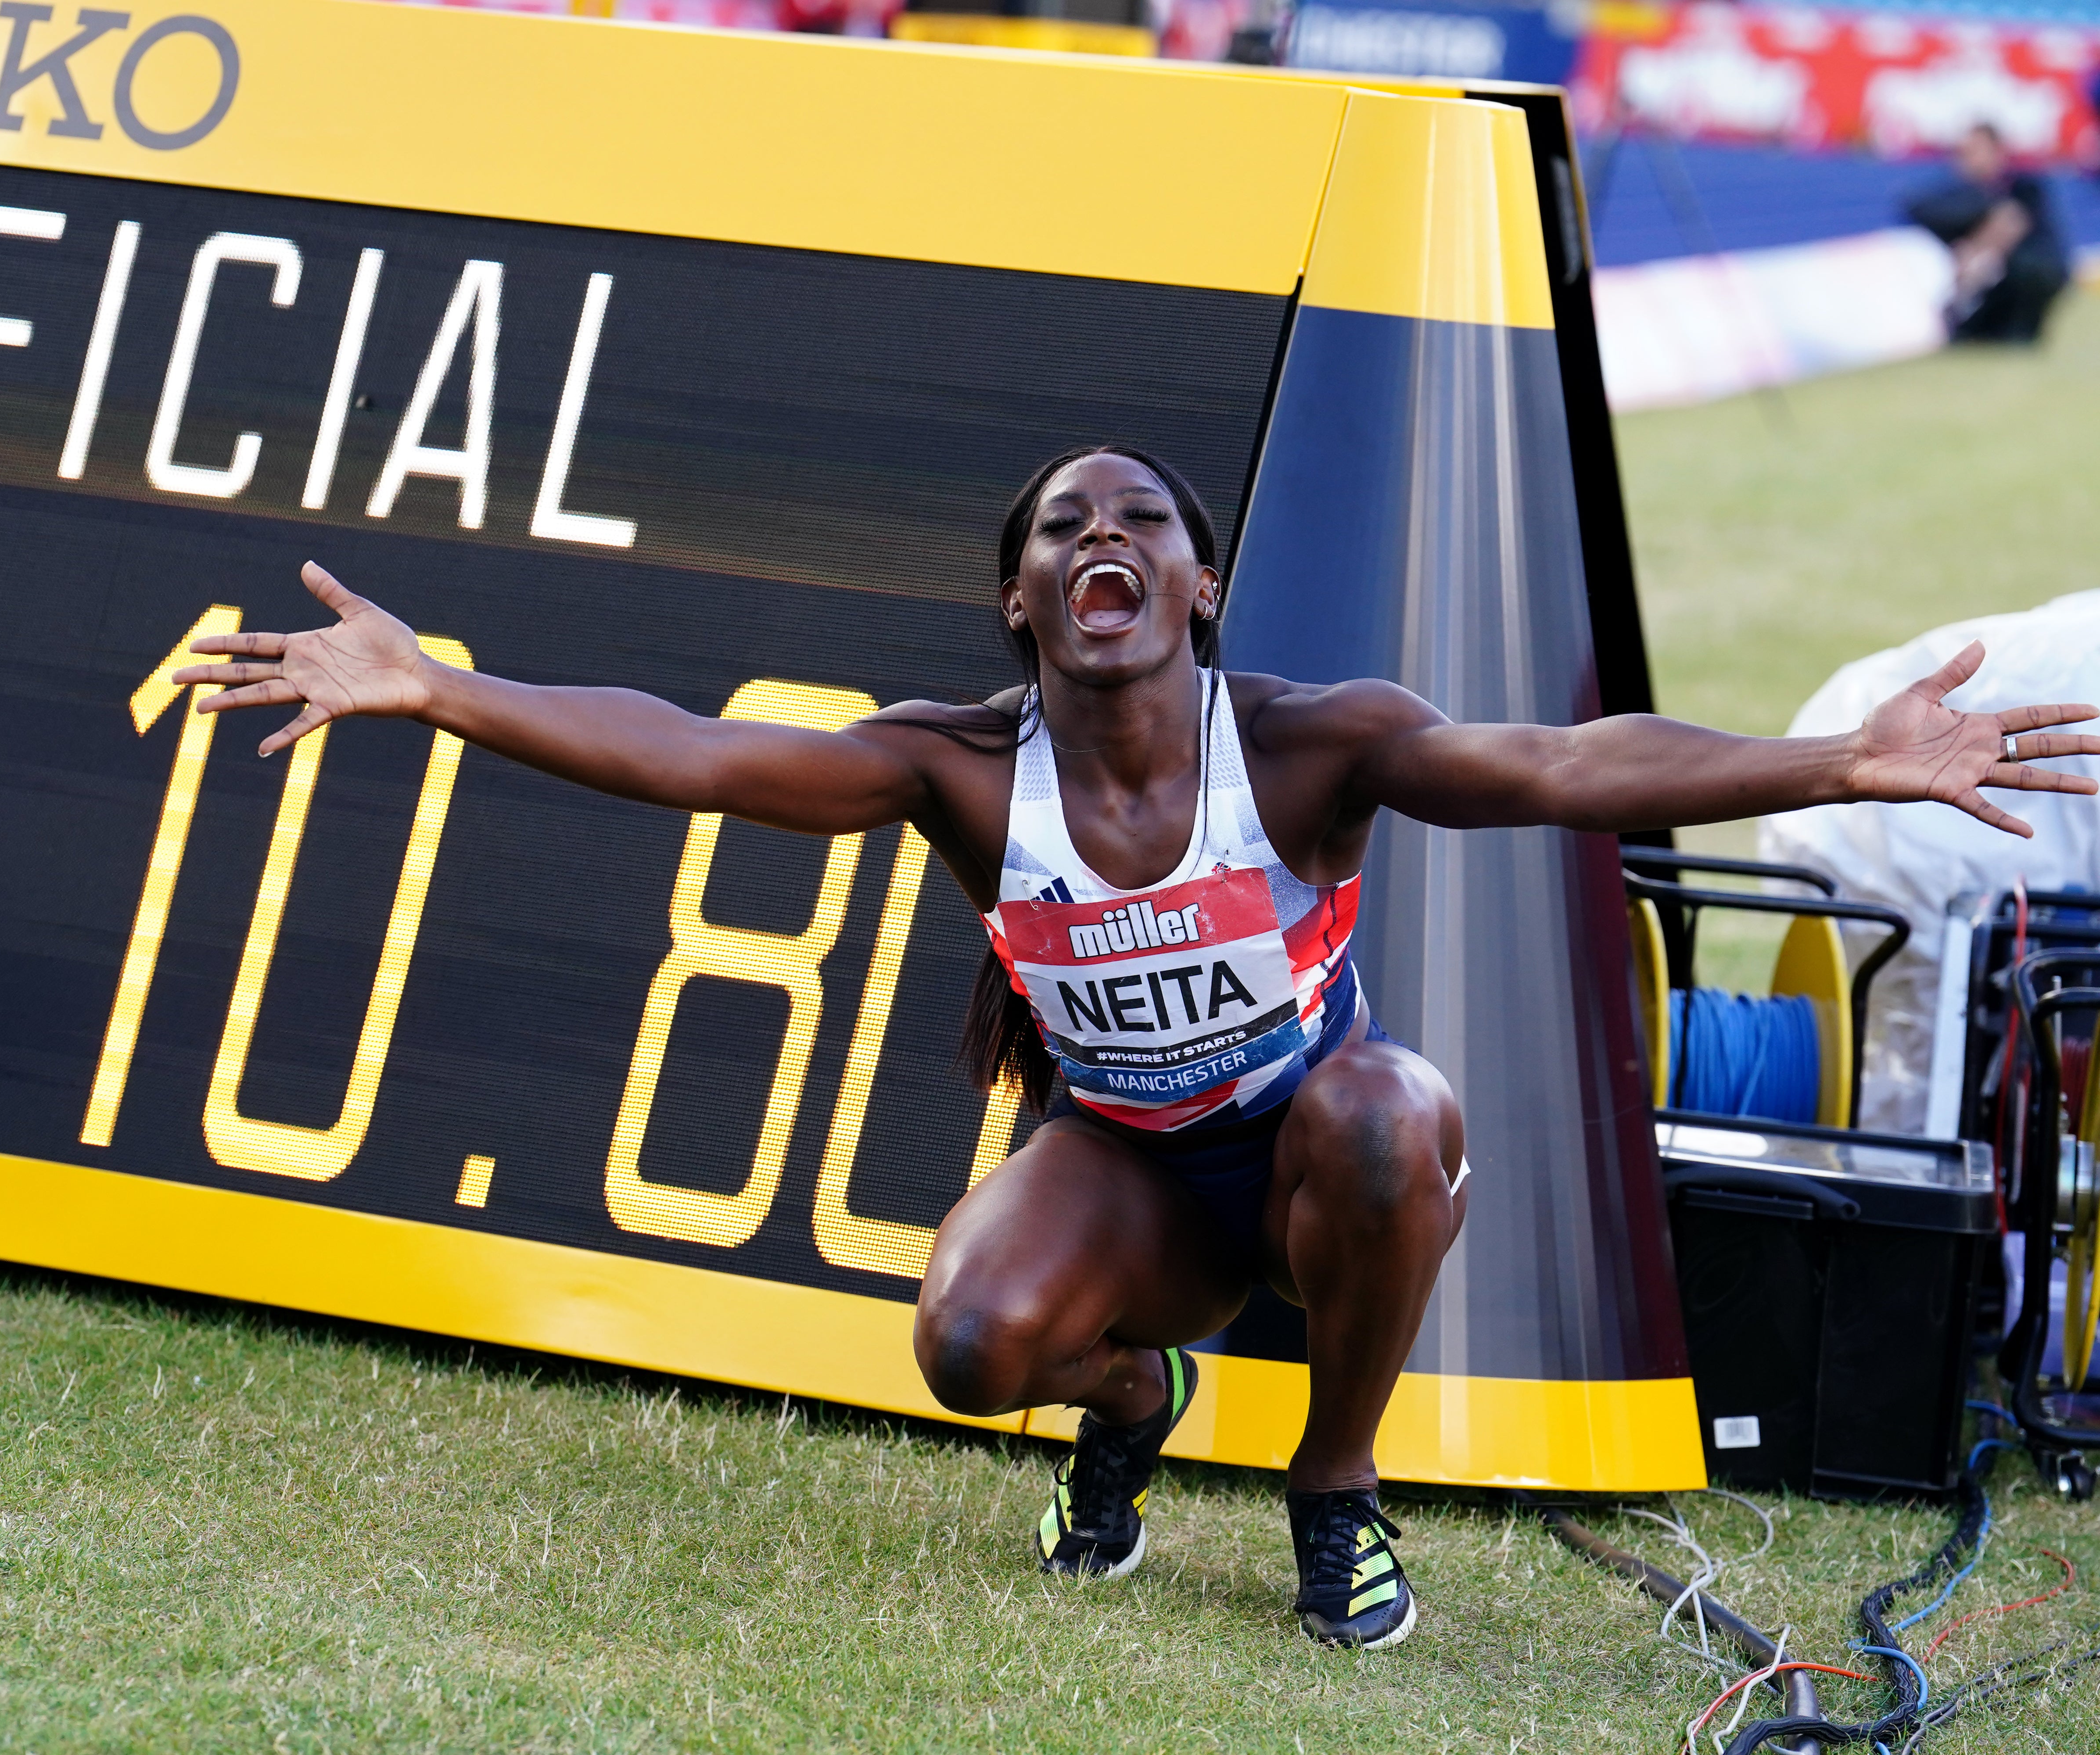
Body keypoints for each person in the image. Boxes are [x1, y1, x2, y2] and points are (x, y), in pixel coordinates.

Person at [174, 445, 2098, 1648]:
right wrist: (438, 688)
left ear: (1195, 589)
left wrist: (1829, 756)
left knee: (1384, 1101)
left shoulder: (1315, 739)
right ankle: (1134, 1406)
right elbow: (691, 750)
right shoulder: (950, 762)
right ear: (1022, 602)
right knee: (960, 1343)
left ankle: (1330, 1491)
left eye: (1142, 519)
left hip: (1311, 1153)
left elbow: (1565, 762)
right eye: (1060, 525)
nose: (1102, 533)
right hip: (1129, 1170)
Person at [1904, 122, 2072, 345]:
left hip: (2020, 279)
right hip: (1973, 288)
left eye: (1975, 151)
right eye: (1963, 152)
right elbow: (1916, 209)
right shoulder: (1956, 196)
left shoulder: (2023, 187)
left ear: (1997, 152)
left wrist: (1976, 249)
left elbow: (2013, 222)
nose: (1967, 159)